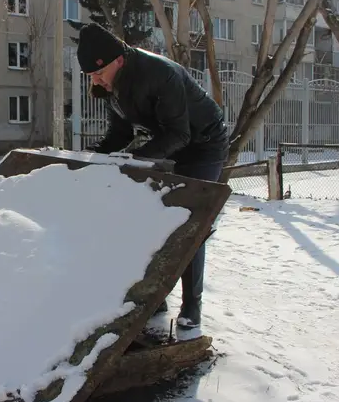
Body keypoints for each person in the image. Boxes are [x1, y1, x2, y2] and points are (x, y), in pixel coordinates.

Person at [76, 22, 229, 329]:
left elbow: (180, 134)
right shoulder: (112, 85)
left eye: (98, 73)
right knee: (149, 219)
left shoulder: (160, 73)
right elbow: (118, 134)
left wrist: (138, 160)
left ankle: (192, 305)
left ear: (117, 60)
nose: (97, 81)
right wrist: (89, 157)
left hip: (203, 144)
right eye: (91, 76)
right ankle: (156, 296)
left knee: (189, 223)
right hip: (168, 141)